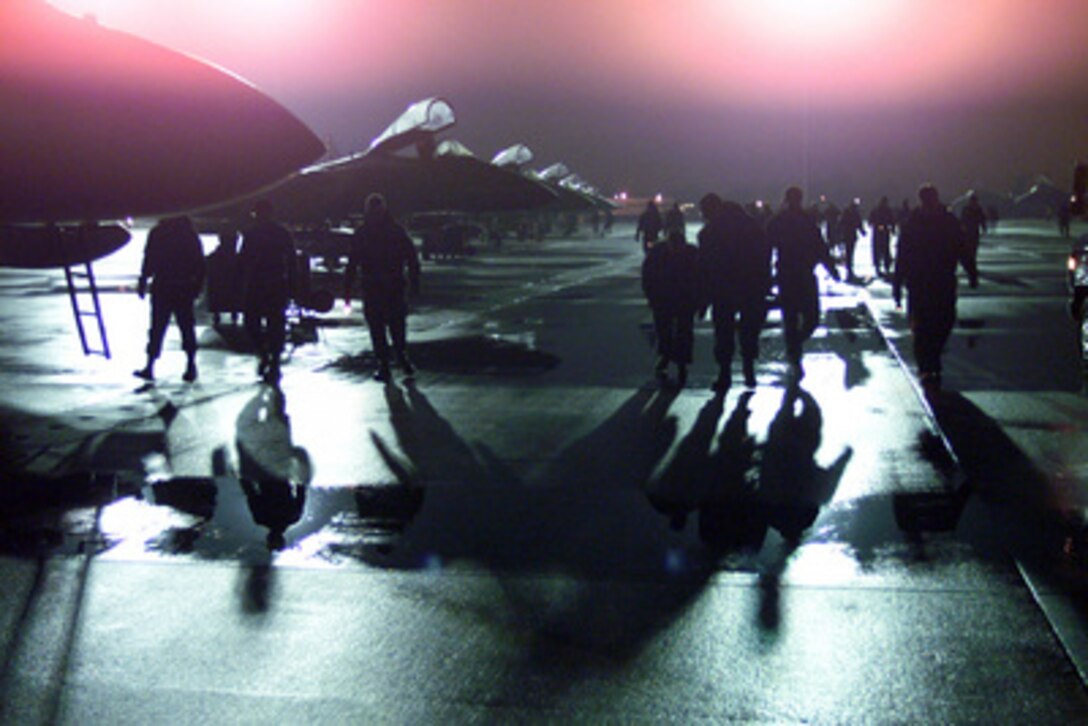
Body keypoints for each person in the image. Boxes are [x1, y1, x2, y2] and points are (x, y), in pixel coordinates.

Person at [893, 184, 979, 391]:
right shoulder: (914, 224)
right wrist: (897, 283)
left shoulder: (946, 222)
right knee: (923, 326)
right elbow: (903, 255)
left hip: (940, 280)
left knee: (944, 321)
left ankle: (931, 357)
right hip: (922, 281)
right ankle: (927, 364)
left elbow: (961, 248)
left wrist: (971, 271)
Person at [697, 193, 772, 392]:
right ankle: (749, 370)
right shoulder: (752, 227)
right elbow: (764, 256)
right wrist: (766, 284)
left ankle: (725, 374)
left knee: (723, 333)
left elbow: (704, 268)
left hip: (723, 289)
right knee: (749, 330)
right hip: (751, 288)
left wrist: (703, 299)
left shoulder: (709, 233)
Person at [344, 193, 421, 382]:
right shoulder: (395, 231)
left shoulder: (364, 233)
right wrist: (414, 285)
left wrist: (347, 289)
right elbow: (412, 259)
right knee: (391, 326)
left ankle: (389, 363)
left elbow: (353, 263)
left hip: (378, 286)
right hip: (388, 285)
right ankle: (398, 359)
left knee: (383, 327)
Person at [766, 186, 841, 382]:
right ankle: (795, 350)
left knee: (792, 319)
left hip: (788, 275)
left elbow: (765, 247)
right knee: (811, 317)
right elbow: (820, 247)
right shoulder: (806, 221)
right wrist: (831, 269)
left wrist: (765, 276)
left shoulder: (779, 221)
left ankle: (794, 349)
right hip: (802, 275)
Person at [134, 215, 205, 383]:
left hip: (163, 285)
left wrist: (143, 280)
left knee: (157, 327)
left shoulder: (158, 233)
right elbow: (199, 263)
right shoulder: (188, 233)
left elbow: (149, 258)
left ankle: (150, 366)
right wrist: (197, 286)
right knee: (186, 327)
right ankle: (190, 365)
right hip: (182, 286)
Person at [238, 200, 297, 383]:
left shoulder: (257, 233)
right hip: (270, 284)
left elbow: (243, 261)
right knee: (267, 325)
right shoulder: (276, 233)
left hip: (267, 283)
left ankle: (270, 358)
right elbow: (292, 261)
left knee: (263, 325)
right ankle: (269, 358)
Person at [642, 228, 700, 387]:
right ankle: (674, 359)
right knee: (671, 331)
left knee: (677, 331)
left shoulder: (658, 254)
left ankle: (672, 359)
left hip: (674, 299)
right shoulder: (692, 253)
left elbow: (647, 275)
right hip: (672, 299)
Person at [205, 226, 240, 326]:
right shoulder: (236, 260)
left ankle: (222, 314)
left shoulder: (214, 259)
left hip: (222, 290)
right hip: (227, 289)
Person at [868, 196, 896, 278]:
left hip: (878, 232)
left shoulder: (877, 210)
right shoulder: (886, 211)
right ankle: (884, 266)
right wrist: (892, 228)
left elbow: (871, 220)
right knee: (884, 249)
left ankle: (880, 266)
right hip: (883, 232)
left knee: (879, 249)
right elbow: (892, 220)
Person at [959, 192, 987, 272]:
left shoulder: (977, 209)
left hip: (973, 231)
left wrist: (983, 226)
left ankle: (972, 261)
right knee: (970, 247)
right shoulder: (969, 209)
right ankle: (971, 261)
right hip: (969, 231)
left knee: (973, 247)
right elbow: (963, 219)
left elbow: (982, 219)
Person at [838, 199, 864, 280]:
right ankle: (849, 270)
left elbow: (841, 223)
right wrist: (862, 231)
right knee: (850, 253)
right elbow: (858, 223)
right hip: (851, 235)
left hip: (847, 235)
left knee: (848, 253)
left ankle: (849, 270)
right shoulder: (854, 213)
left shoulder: (846, 213)